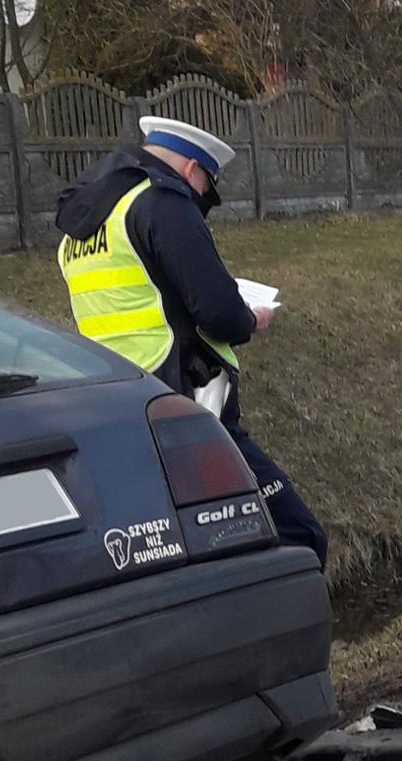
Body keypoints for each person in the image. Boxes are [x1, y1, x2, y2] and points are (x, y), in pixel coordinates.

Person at [54, 116, 328, 563]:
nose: (200, 199)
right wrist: (251, 318)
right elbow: (220, 314)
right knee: (299, 536)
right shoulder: (163, 204)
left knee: (190, 556)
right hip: (188, 410)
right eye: (205, 188)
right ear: (191, 169)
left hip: (118, 413)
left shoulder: (85, 224)